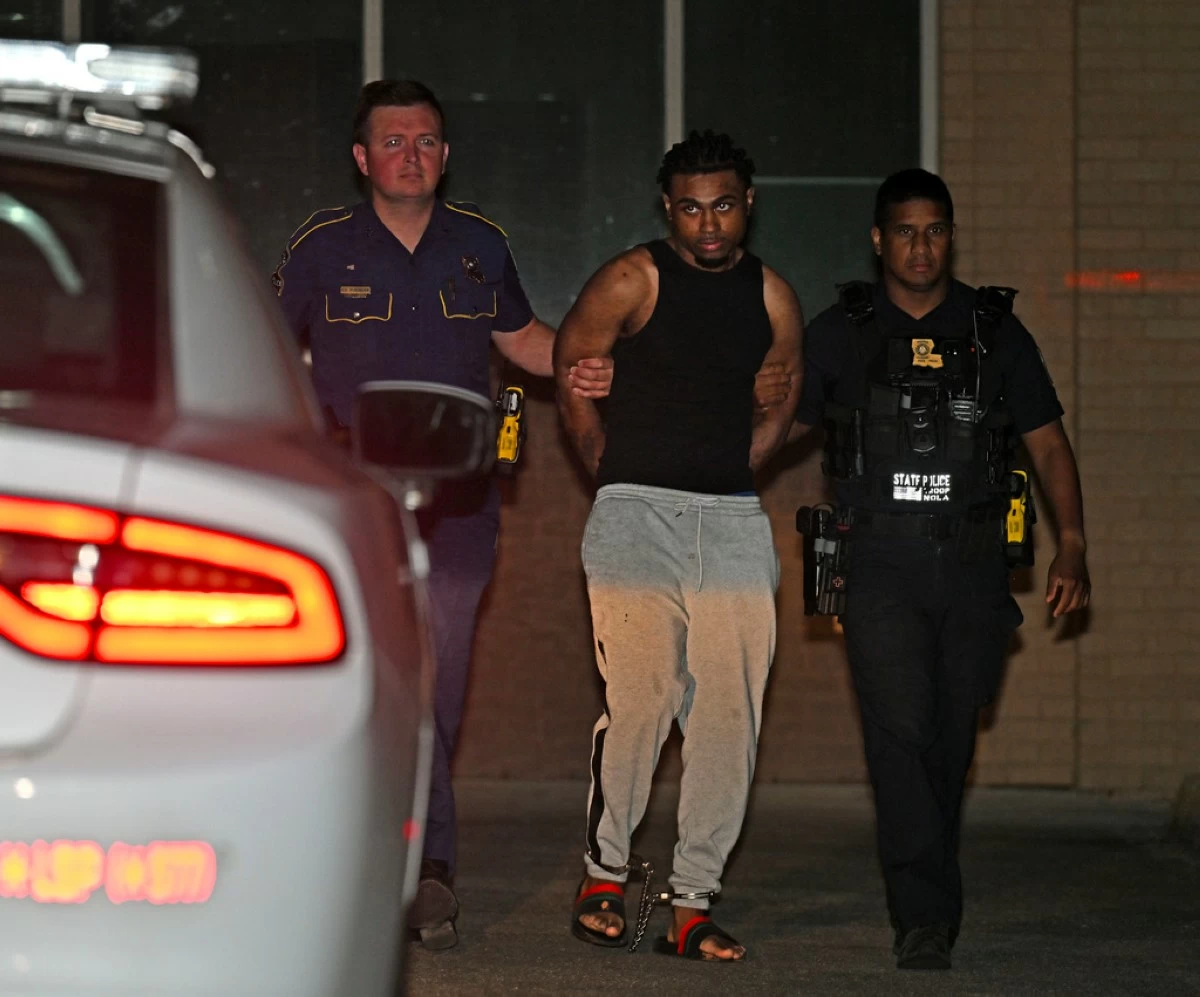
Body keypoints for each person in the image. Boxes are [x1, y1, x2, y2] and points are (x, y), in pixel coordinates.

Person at [271, 79, 613, 950]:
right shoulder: (320, 249)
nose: (411, 155)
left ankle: (426, 870)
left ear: (445, 153)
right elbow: (273, 356)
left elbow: (526, 343)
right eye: (393, 141)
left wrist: (596, 359)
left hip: (460, 505)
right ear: (361, 159)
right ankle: (363, 859)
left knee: (438, 685)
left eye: (426, 141)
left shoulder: (481, 248)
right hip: (354, 505)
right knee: (357, 680)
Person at [762, 168, 1090, 969]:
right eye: (905, 230)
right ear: (880, 239)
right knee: (898, 731)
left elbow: (1045, 439)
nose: (920, 244)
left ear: (951, 235)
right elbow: (783, 425)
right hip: (875, 562)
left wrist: (1074, 540)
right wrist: (707, 462)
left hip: (972, 563)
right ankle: (924, 914)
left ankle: (926, 882)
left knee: (949, 734)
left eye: (934, 229)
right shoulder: (842, 329)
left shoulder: (993, 329)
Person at [554, 130, 803, 961]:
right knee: (645, 696)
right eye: (691, 207)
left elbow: (785, 390)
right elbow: (571, 361)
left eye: (723, 205)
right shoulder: (633, 277)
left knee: (730, 715)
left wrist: (745, 465)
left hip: (730, 517)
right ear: (669, 207)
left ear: (748, 204)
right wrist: (602, 463)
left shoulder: (771, 294)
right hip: (635, 514)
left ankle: (692, 903)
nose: (708, 224)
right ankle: (604, 875)